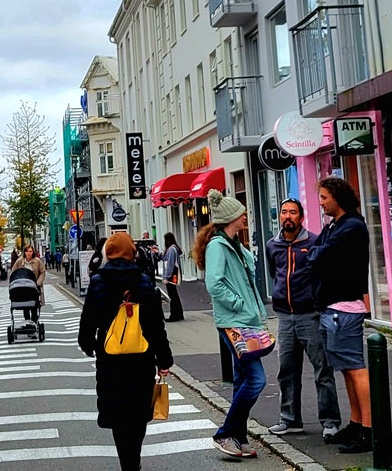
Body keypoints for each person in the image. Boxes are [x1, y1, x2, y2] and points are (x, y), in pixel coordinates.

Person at [78, 231, 173, 471]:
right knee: (139, 410)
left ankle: (127, 463)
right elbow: (154, 325)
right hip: (140, 359)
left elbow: (88, 319)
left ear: (108, 252)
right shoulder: (143, 281)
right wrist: (164, 358)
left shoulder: (98, 282)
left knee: (118, 412)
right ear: (132, 252)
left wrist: (88, 344)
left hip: (110, 360)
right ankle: (135, 456)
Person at [195, 189, 266, 460]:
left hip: (244, 320)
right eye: (241, 213)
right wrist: (238, 303)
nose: (245, 216)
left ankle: (237, 437)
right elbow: (214, 283)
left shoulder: (233, 243)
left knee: (242, 380)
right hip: (234, 322)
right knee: (257, 380)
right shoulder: (218, 246)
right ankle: (225, 433)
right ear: (231, 218)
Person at [265, 198, 341, 439]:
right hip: (285, 317)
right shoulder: (272, 245)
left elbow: (325, 275)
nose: (288, 216)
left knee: (322, 369)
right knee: (286, 370)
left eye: (293, 213)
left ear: (301, 217)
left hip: (311, 315)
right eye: (284, 212)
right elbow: (273, 272)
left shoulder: (314, 241)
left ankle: (330, 421)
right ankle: (290, 419)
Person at [308, 176, 372, 454]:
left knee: (355, 368)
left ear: (337, 197)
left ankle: (368, 429)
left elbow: (318, 256)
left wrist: (317, 254)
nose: (321, 203)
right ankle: (357, 423)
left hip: (343, 307)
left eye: (324, 197)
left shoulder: (352, 227)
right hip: (333, 306)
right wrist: (317, 253)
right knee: (346, 369)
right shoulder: (336, 225)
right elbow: (316, 252)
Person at [12, 244, 46, 320]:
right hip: (23, 286)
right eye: (27, 251)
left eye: (30, 251)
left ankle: (34, 319)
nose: (28, 253)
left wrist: (38, 283)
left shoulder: (37, 261)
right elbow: (14, 271)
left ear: (33, 252)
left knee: (34, 304)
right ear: (24, 252)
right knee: (25, 304)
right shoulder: (20, 261)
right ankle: (27, 320)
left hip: (34, 286)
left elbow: (42, 272)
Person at [162, 232, 184, 322]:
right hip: (174, 275)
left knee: (172, 296)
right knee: (174, 295)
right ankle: (179, 314)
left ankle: (174, 315)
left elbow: (170, 264)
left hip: (171, 276)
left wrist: (166, 277)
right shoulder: (174, 249)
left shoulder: (171, 250)